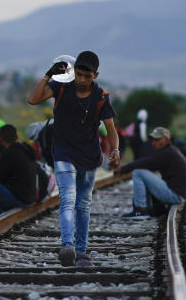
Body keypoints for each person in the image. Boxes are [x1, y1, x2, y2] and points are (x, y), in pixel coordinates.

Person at [27, 50, 119, 268]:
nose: (82, 80)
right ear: (73, 71)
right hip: (64, 152)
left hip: (89, 156)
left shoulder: (101, 97)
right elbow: (33, 99)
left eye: (87, 76)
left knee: (83, 204)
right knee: (67, 199)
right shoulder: (61, 87)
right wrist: (48, 74)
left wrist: (115, 149)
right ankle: (67, 246)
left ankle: (81, 251)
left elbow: (110, 129)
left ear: (95, 75)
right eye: (78, 74)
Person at [115, 126, 186, 218]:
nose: (153, 143)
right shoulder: (170, 151)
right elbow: (148, 163)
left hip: (175, 195)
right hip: (176, 193)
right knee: (146, 173)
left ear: (166, 140)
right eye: (153, 140)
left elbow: (147, 162)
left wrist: (124, 168)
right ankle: (154, 209)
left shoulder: (167, 153)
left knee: (138, 172)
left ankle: (140, 211)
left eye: (157, 140)